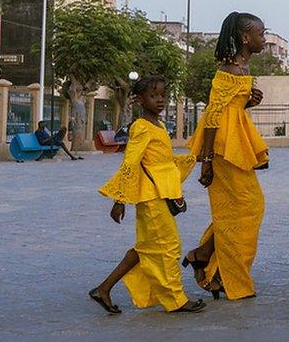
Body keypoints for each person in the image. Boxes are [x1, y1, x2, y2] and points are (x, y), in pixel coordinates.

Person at [88, 75, 205, 315]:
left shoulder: (159, 126)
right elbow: (130, 162)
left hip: (161, 194)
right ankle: (176, 299)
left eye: (163, 95)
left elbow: (165, 162)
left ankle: (103, 289)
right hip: (151, 198)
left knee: (144, 250)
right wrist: (119, 200)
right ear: (140, 100)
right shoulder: (141, 127)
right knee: (170, 247)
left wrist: (193, 158)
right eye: (154, 96)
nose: (160, 100)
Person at [181, 12, 268, 301]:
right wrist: (206, 162)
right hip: (221, 149)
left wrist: (248, 102)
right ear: (246, 38)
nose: (264, 40)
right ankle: (222, 272)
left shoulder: (242, 69)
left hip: (235, 143)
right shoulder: (229, 71)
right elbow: (214, 114)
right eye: (261, 34)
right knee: (248, 207)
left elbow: (232, 109)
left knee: (241, 210)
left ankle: (204, 257)